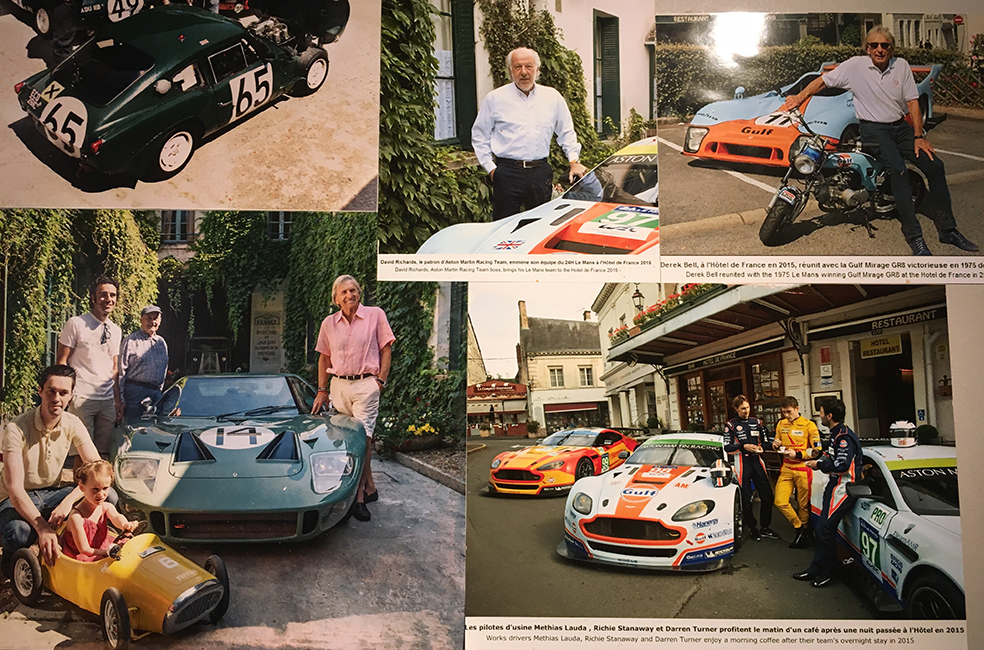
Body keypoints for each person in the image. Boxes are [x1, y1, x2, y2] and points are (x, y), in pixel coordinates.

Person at [781, 25, 977, 257]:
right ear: (867, 48)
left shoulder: (901, 65)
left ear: (892, 49)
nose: (880, 49)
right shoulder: (855, 66)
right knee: (898, 171)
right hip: (874, 129)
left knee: (935, 166)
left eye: (885, 45)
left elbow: (913, 101)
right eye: (874, 45)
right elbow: (823, 81)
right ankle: (914, 237)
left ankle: (948, 229)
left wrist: (919, 135)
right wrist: (799, 97)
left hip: (901, 128)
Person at [310, 276, 395, 522]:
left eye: (354, 290)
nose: (350, 295)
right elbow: (324, 358)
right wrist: (322, 390)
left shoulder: (375, 315)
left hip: (366, 384)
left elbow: (386, 349)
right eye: (345, 292)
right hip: (339, 387)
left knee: (363, 440)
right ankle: (369, 486)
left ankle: (356, 500)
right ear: (336, 299)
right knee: (345, 440)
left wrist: (380, 382)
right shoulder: (328, 324)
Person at [0, 365, 101, 571]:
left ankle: (79, 546)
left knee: (106, 495)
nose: (57, 398)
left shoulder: (73, 423)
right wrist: (43, 528)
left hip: (51, 494)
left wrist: (67, 503)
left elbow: (97, 472)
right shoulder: (16, 428)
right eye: (51, 391)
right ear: (40, 391)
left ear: (71, 396)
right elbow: (15, 488)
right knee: (17, 533)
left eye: (63, 393)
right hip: (15, 498)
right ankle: (14, 559)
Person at [472, 47, 587, 221]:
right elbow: (479, 135)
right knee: (504, 228)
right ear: (510, 71)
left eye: (529, 66)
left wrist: (573, 161)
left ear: (537, 70)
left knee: (538, 225)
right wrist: (491, 169)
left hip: (540, 173)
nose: (523, 72)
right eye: (517, 67)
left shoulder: (552, 97)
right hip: (507, 173)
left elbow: (566, 132)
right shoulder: (495, 99)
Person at [794, 397, 861, 587]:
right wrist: (820, 455)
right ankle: (816, 568)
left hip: (845, 488)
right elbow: (833, 456)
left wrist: (819, 464)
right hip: (834, 486)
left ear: (829, 415)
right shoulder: (835, 433)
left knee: (824, 529)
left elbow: (842, 465)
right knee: (822, 529)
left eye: (821, 412)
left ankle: (830, 573)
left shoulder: (844, 437)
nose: (819, 415)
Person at [56, 276, 123, 456]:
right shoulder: (76, 324)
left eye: (112, 295)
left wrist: (117, 400)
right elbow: (61, 362)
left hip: (107, 400)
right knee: (81, 452)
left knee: (102, 453)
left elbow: (114, 367)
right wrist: (66, 395)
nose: (108, 299)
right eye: (103, 295)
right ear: (93, 298)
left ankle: (96, 485)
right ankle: (78, 485)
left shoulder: (116, 330)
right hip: (81, 397)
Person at [723, 395, 779, 542]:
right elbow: (727, 447)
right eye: (742, 409)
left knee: (767, 496)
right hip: (742, 463)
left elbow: (766, 443)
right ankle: (753, 528)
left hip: (757, 462)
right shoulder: (730, 425)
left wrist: (762, 448)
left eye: (747, 408)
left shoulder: (758, 422)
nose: (746, 411)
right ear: (736, 409)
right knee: (746, 498)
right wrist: (743, 447)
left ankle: (765, 527)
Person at [771, 396, 821, 549]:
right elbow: (777, 444)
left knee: (804, 505)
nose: (786, 415)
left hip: (802, 468)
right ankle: (799, 529)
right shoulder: (781, 424)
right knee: (779, 501)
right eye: (784, 412)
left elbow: (817, 451)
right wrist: (775, 445)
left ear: (796, 408)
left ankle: (805, 535)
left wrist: (798, 455)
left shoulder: (809, 425)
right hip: (786, 468)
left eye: (789, 412)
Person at [62, 460, 137, 562]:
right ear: (81, 487)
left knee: (130, 548)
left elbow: (116, 517)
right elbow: (84, 550)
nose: (101, 494)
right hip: (84, 555)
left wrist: (125, 525)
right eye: (95, 489)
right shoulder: (77, 517)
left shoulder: (105, 507)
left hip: (102, 548)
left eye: (105, 488)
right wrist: (108, 553)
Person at [119, 305, 169, 421]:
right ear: (141, 320)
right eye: (148, 318)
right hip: (135, 394)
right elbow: (120, 371)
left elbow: (164, 369)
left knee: (153, 430)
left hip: (156, 394)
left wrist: (159, 392)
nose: (152, 322)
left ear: (160, 321)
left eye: (155, 318)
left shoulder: (161, 343)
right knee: (133, 430)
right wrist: (121, 399)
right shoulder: (131, 341)